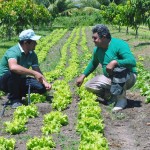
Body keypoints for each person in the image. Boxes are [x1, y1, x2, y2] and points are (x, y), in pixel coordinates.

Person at [76, 24, 137, 112]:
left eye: (95, 38)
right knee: (89, 86)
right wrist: (83, 76)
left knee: (118, 71)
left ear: (104, 37)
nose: (93, 40)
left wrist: (115, 62)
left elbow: (132, 62)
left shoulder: (119, 44)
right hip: (110, 78)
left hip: (128, 77)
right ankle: (112, 96)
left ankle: (121, 101)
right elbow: (93, 63)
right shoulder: (97, 49)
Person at [0, 29, 52, 108]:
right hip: (5, 82)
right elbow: (13, 67)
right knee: (14, 72)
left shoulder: (32, 54)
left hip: (19, 80)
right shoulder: (13, 51)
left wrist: (45, 82)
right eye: (34, 42)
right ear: (26, 42)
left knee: (41, 87)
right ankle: (15, 99)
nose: (36, 43)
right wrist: (34, 73)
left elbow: (37, 70)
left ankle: (18, 93)